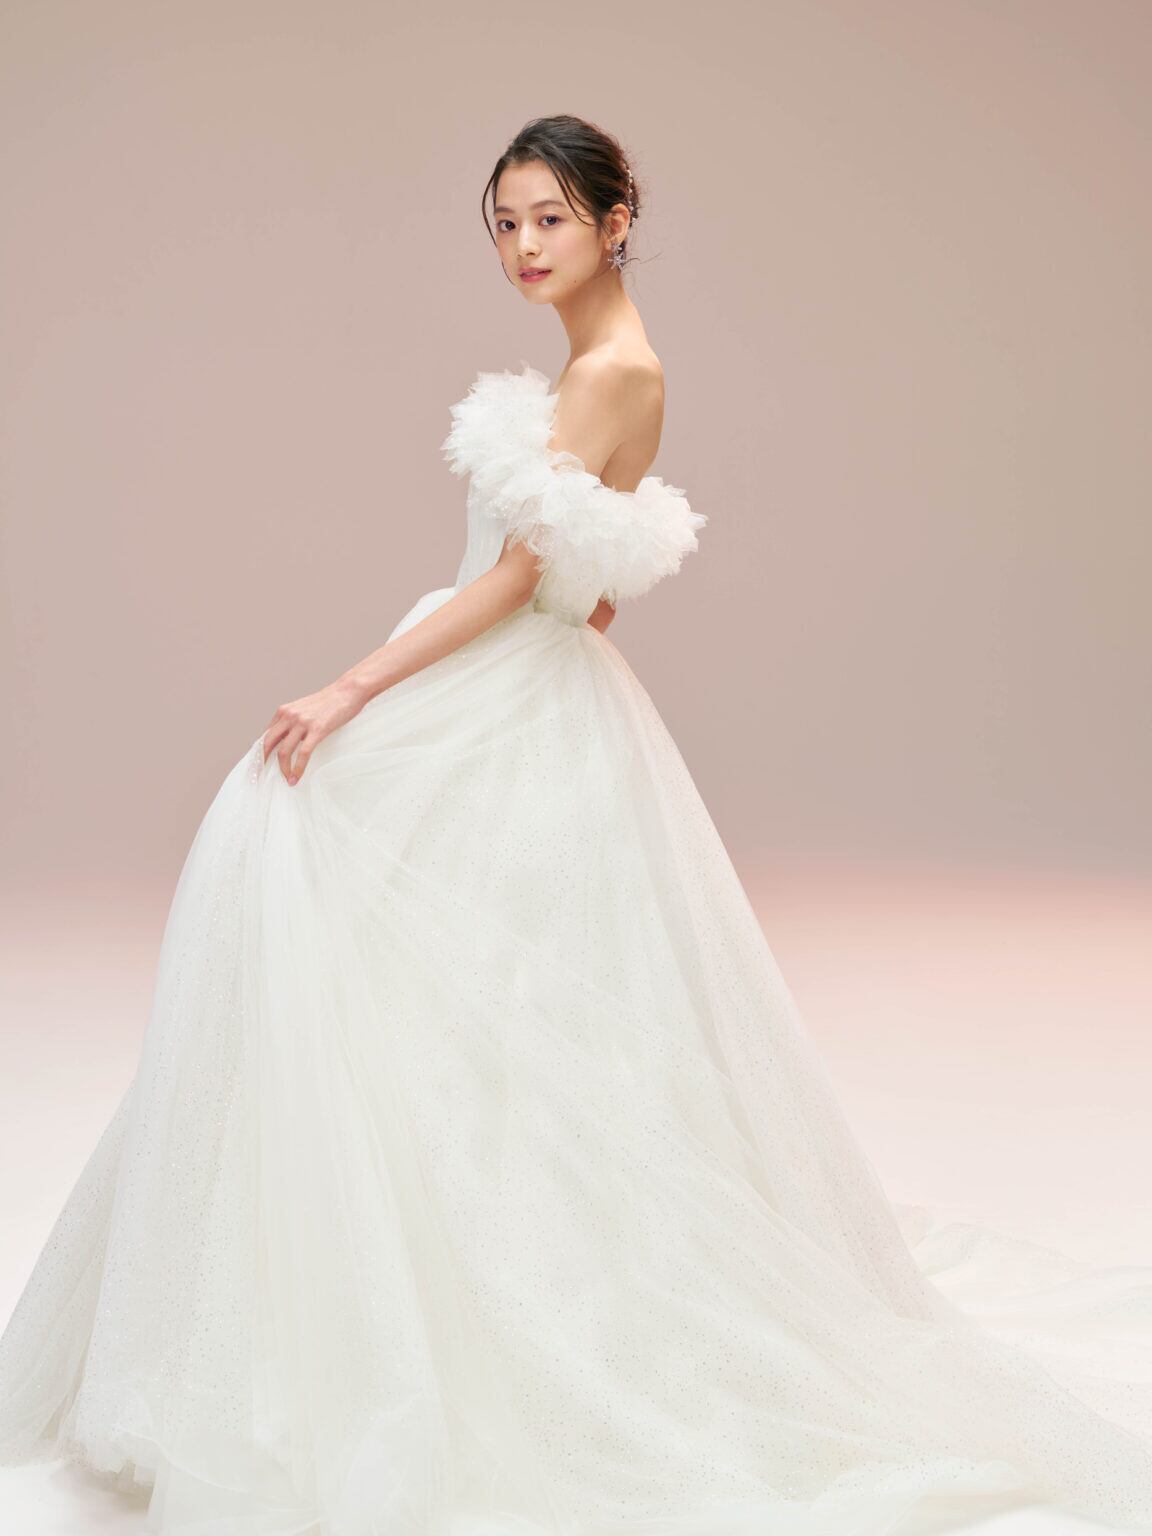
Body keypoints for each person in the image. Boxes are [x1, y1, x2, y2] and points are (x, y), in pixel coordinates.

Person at [2, 112, 1151, 1536]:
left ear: (616, 221)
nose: (522, 246)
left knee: (358, 916)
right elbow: (585, 590)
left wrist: (353, 683)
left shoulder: (615, 372)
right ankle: (413, 1295)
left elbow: (519, 578)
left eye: (549, 217)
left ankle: (429, 1322)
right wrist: (527, 612)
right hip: (528, 691)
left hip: (511, 702)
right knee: (461, 1000)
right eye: (503, 223)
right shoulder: (604, 370)